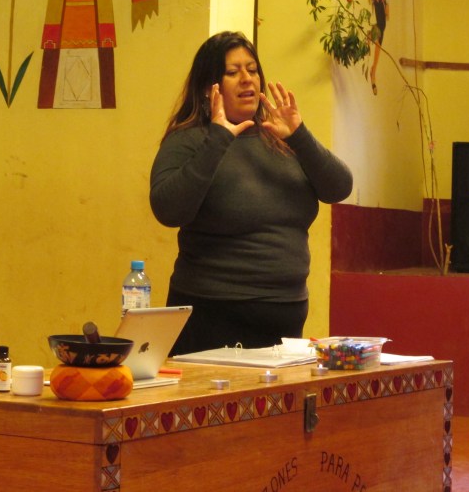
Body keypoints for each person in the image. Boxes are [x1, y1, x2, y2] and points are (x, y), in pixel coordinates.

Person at [150, 31, 353, 355]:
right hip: (213, 313)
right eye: (233, 72)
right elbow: (168, 209)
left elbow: (339, 187)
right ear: (209, 88)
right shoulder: (189, 139)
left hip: (286, 312)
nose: (247, 79)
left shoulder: (280, 137)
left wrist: (299, 134)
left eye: (253, 69)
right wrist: (218, 139)